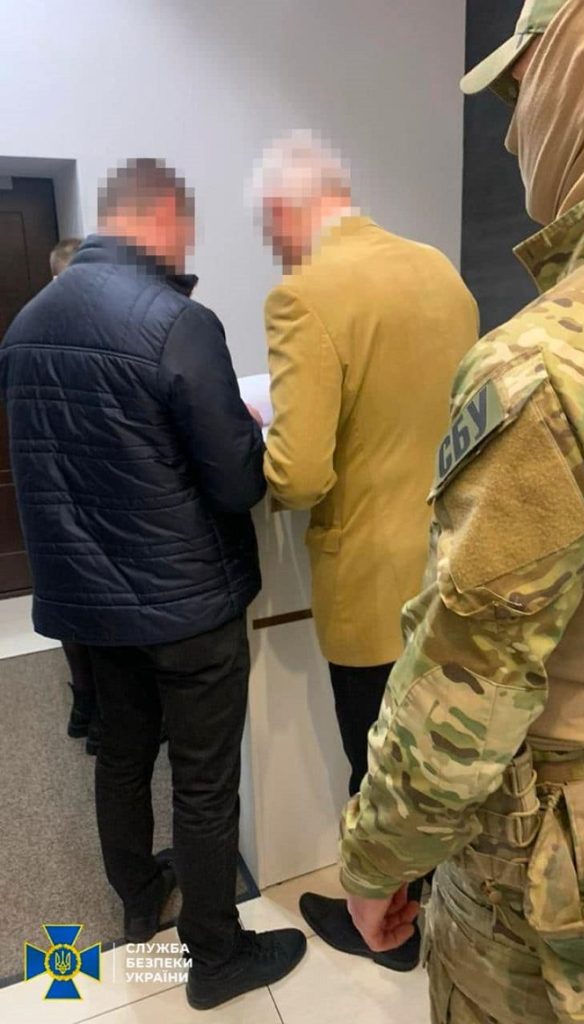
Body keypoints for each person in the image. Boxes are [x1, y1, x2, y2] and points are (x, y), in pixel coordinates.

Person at [337, 0, 584, 1021]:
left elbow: (464, 687)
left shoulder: (562, 357)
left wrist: (375, 859)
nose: (506, 134)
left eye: (522, 92)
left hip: (562, 861)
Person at [0, 158, 306, 1010]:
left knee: (123, 756)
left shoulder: (26, 323)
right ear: (160, 219)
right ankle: (216, 955)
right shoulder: (179, 322)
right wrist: (249, 433)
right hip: (185, 602)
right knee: (204, 782)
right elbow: (235, 485)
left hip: (88, 602)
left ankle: (139, 896)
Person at [250, 131, 479, 971]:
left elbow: (300, 476)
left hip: (369, 579)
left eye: (267, 226)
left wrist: (266, 443)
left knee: (375, 762)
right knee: (434, 754)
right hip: (450, 559)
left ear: (287, 210)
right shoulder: (438, 272)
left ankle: (386, 926)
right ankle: (439, 898)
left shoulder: (302, 294)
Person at [48, 237, 103, 755]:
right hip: (81, 493)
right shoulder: (89, 334)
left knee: (77, 606)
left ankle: (87, 705)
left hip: (58, 495)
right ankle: (95, 708)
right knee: (91, 611)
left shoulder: (33, 332)